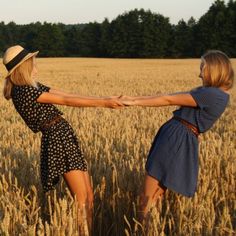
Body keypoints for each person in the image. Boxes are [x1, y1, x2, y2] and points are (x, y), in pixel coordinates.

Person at [2, 45, 123, 234]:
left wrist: (104, 98)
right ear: (24, 66)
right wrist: (104, 104)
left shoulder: (31, 86)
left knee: (88, 196)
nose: (35, 65)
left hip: (63, 135)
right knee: (81, 199)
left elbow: (65, 94)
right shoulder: (22, 90)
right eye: (32, 62)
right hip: (57, 139)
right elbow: (65, 101)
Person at [121, 50, 234, 224]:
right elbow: (171, 97)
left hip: (176, 139)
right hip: (180, 137)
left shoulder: (213, 94)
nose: (200, 73)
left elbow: (168, 99)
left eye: (203, 67)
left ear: (214, 69)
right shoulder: (216, 94)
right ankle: (150, 228)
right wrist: (133, 98)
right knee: (155, 196)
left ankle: (144, 228)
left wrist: (134, 102)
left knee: (147, 197)